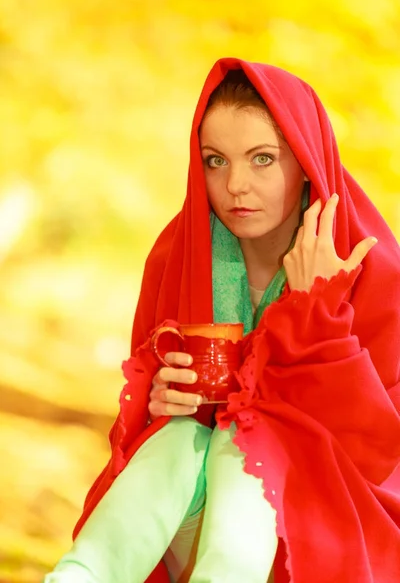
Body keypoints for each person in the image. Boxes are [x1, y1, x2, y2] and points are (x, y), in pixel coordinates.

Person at [44, 59, 400, 583]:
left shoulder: (371, 268)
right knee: (177, 441)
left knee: (242, 448)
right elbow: (141, 435)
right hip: (179, 507)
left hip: (319, 527)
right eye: (215, 160)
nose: (235, 185)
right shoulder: (178, 256)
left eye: (262, 159)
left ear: (305, 160)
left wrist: (315, 311)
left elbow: (375, 452)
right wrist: (161, 397)